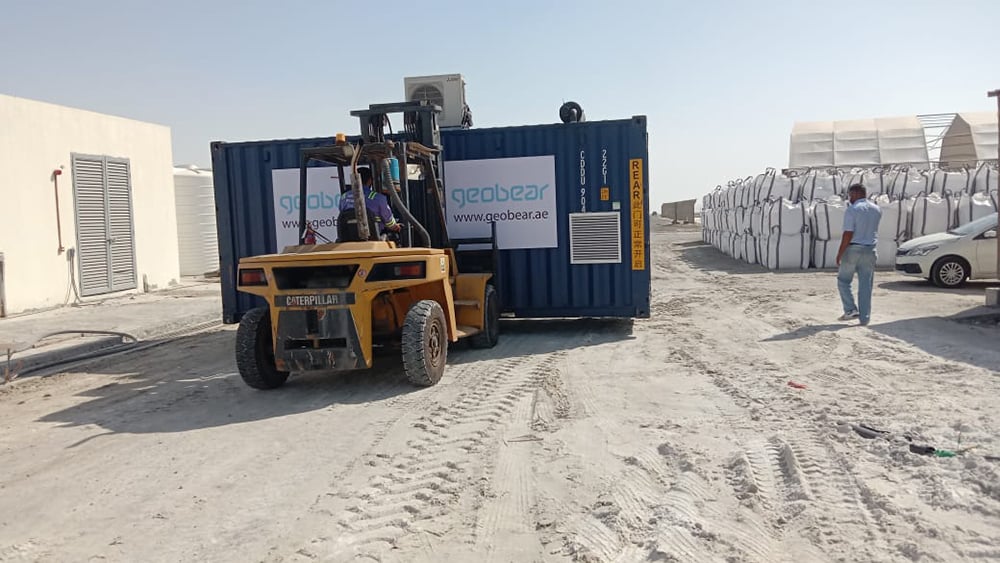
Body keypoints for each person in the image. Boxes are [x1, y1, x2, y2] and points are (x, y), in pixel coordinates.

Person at [836, 183, 882, 325]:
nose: (849, 198)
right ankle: (865, 318)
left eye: (850, 195)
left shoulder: (852, 210)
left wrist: (840, 253)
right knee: (865, 285)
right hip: (870, 250)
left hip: (853, 250)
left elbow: (848, 233)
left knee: (843, 281)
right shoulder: (877, 209)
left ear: (855, 194)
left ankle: (850, 309)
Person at [338, 167, 401, 236]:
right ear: (370, 180)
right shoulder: (378, 198)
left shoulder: (343, 197)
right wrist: (395, 226)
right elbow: (389, 222)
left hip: (348, 238)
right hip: (374, 237)